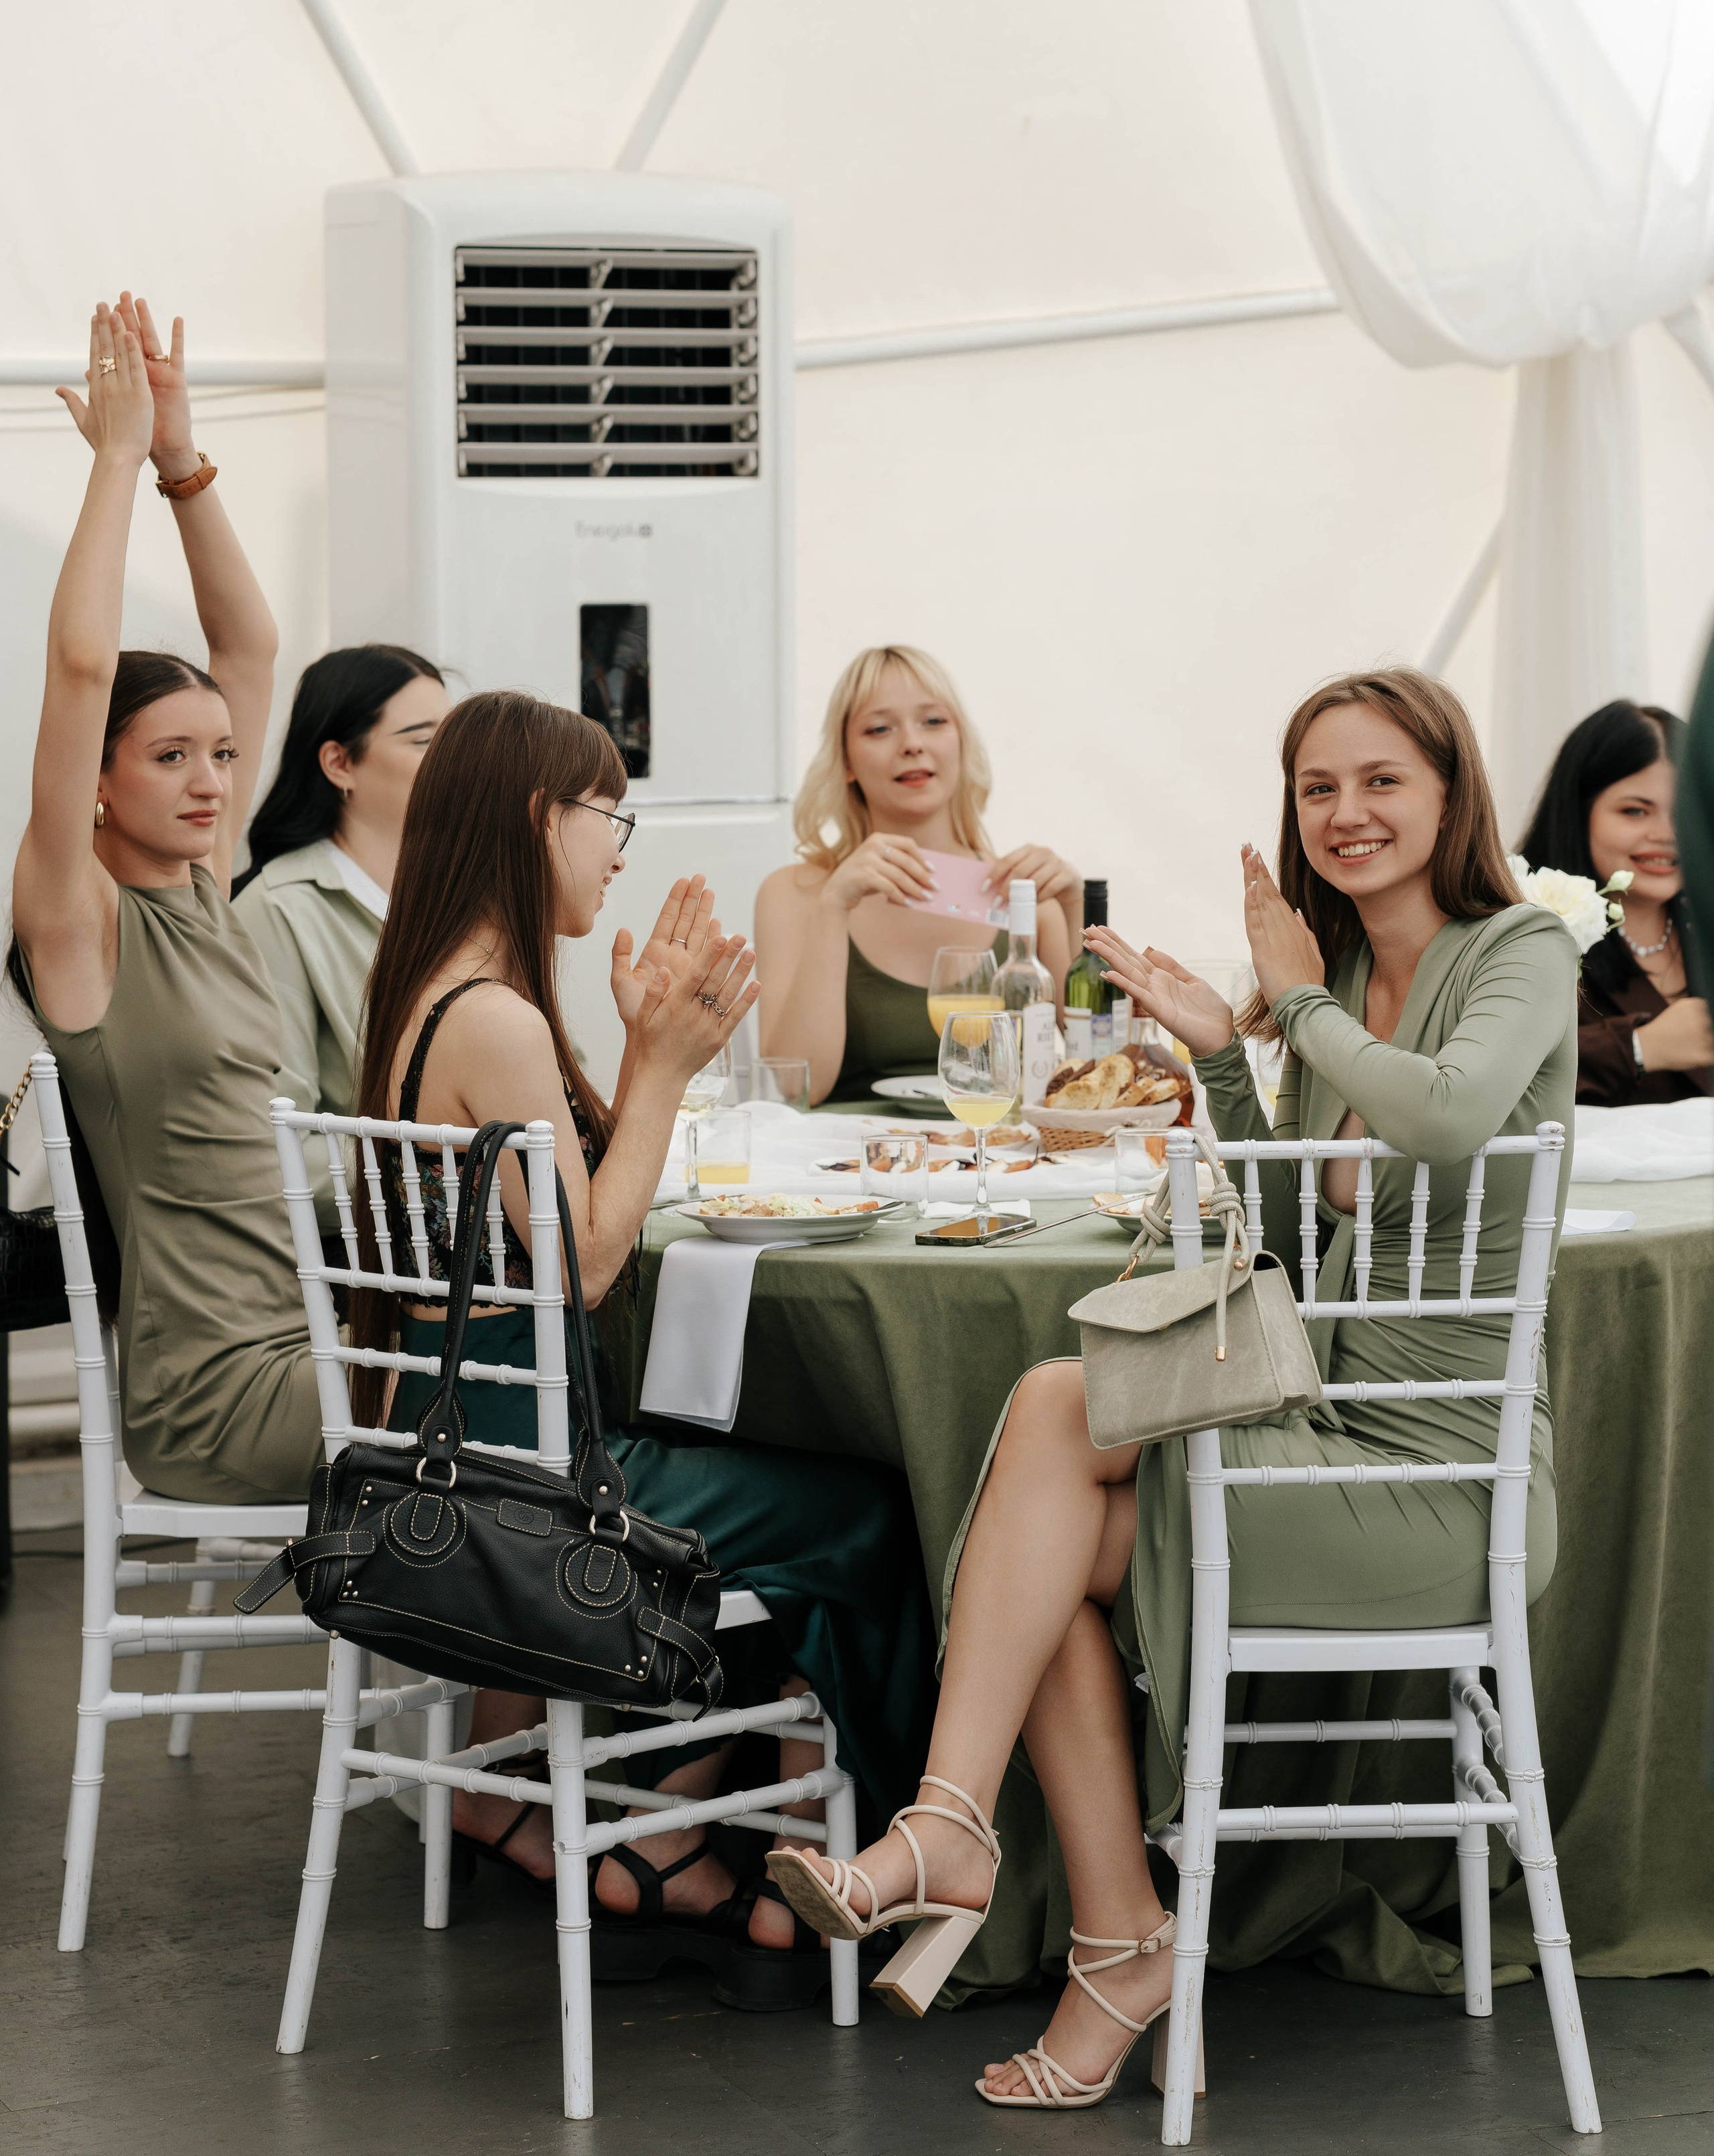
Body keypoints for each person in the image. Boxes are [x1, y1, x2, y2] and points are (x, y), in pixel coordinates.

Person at [767, 666, 1576, 2108]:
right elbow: (1302, 1231)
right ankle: (1103, 1927)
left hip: (1443, 1480)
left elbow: (1446, 1118)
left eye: (1380, 780)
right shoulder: (1330, 994)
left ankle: (967, 1851)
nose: (1344, 813)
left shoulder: (1515, 950)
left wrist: (1293, 1001)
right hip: (1322, 1425)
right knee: (1049, 1505)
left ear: (1450, 793)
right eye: (1315, 787)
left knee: (1051, 1411)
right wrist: (1222, 1053)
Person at [354, 689, 937, 1997]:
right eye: (608, 817)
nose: (619, 849)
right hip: (535, 1480)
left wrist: (634, 1049)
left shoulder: (446, 995)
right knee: (871, 1507)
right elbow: (588, 1261)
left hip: (460, 1455)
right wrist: (667, 1072)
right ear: (533, 820)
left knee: (763, 1456)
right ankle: (813, 1870)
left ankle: (679, 1827)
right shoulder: (493, 1020)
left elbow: (563, 1205)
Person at [5, 298, 320, 1503]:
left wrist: (185, 463)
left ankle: (541, 1676)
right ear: (93, 782)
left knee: (576, 1371)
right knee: (542, 1385)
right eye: (170, 756)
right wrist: (117, 462)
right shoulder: (78, 921)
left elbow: (251, 642)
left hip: (314, 1345)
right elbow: (82, 667)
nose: (210, 782)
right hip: (217, 1392)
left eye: (223, 755)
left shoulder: (205, 880)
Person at [755, 645, 1081, 1104]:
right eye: (879, 728)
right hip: (845, 1165)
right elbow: (793, 1092)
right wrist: (835, 906)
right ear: (846, 761)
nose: (911, 743)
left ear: (961, 743)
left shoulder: (1028, 897)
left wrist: (1074, 909)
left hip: (1003, 1162)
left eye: (933, 721)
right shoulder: (795, 894)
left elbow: (1106, 1075)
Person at [233, 645, 449, 1219]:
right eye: (425, 740)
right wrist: (454, 1175)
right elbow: (282, 1149)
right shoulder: (276, 910)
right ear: (340, 764)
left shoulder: (468, 897)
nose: (454, 761)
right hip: (380, 1266)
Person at [1516, 700, 1711, 1104]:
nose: (1666, 833)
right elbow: (1484, 1077)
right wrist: (1640, 1048)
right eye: (1636, 811)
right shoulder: (1519, 926)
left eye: (1680, 811)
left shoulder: (1704, 925)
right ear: (1578, 811)